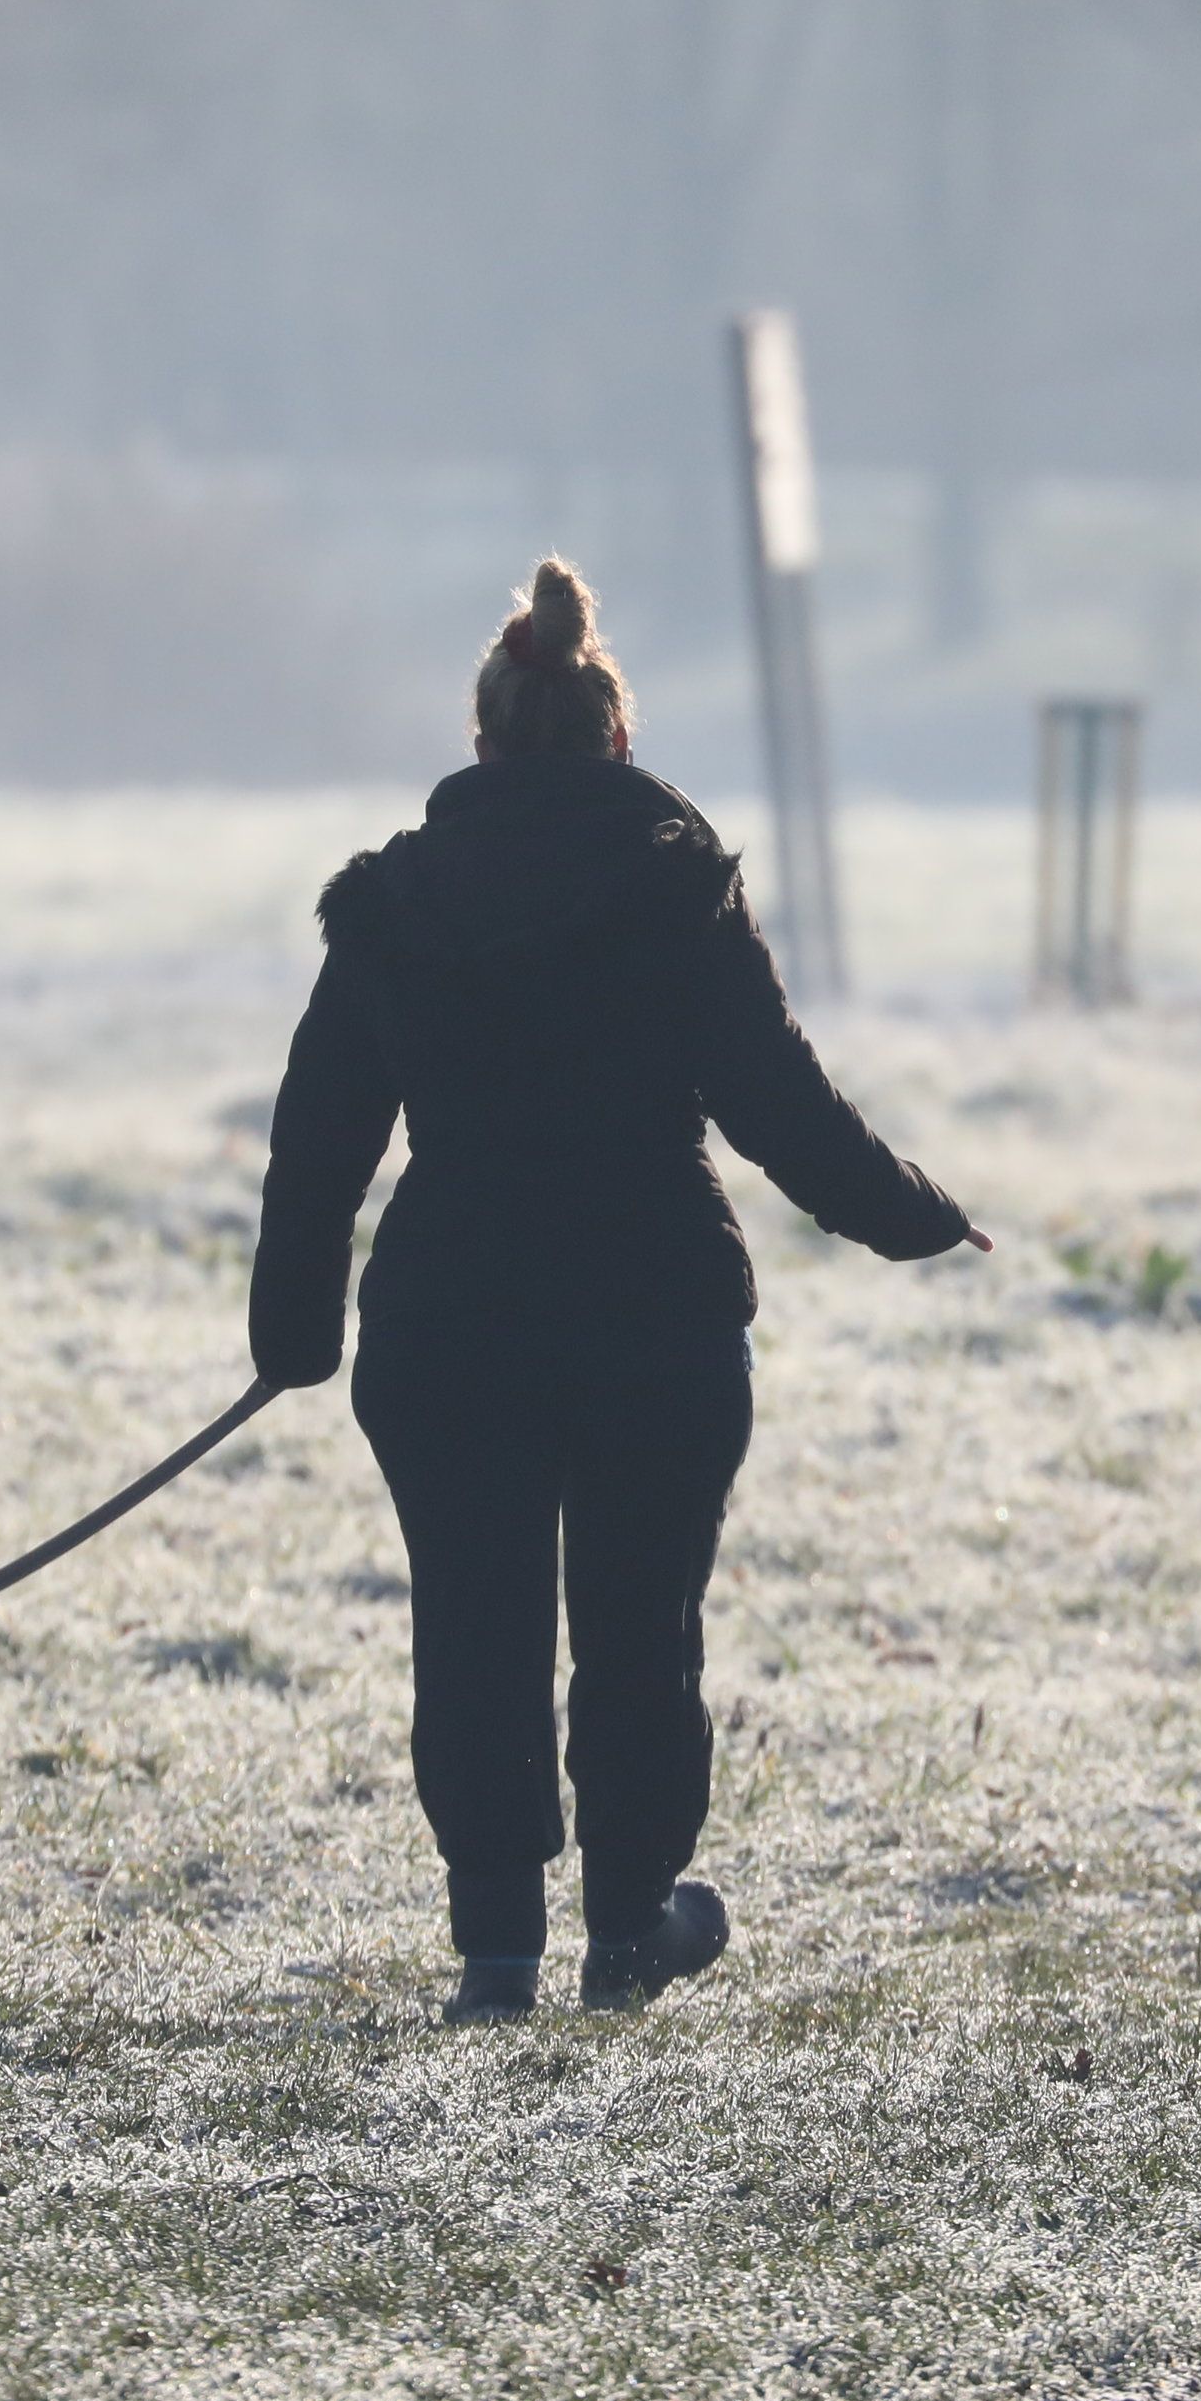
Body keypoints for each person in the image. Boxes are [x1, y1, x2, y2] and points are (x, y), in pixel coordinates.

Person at [249, 557, 984, 2022]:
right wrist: (915, 1215)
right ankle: (632, 1922)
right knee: (642, 1633)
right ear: (614, 733)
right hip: (648, 1315)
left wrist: (293, 1327)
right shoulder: (672, 876)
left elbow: (321, 1128)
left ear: (486, 738)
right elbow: (779, 1101)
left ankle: (496, 1950)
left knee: (475, 1624)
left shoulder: (398, 897)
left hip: (451, 1324)